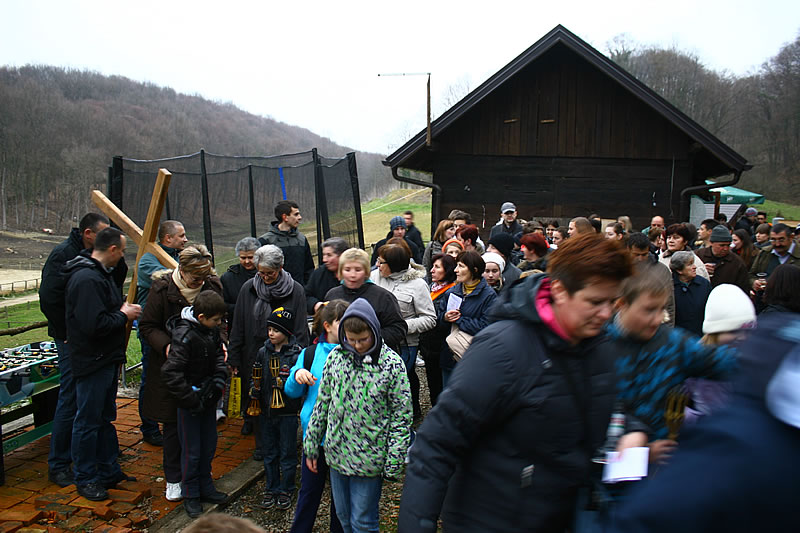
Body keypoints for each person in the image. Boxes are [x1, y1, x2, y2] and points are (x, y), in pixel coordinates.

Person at [399, 234, 632, 532]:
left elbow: (611, 412)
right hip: (492, 520)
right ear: (559, 290)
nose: (606, 313)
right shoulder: (503, 349)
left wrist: (633, 432)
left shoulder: (602, 349)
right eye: (595, 302)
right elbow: (437, 444)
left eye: (612, 302)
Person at [609, 313, 800, 533]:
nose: (658, 318)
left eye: (661, 308)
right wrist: (641, 443)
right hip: (614, 476)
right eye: (650, 309)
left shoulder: (677, 346)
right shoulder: (730, 443)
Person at [304, 298, 412, 533]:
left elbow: (401, 416)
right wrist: (311, 444)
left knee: (363, 522)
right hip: (337, 454)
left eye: (363, 339)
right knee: (343, 517)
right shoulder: (336, 357)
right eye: (351, 340)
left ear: (374, 332)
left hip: (369, 458)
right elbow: (322, 404)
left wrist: (394, 459)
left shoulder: (391, 365)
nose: (357, 345)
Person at [140, 245, 224, 503]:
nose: (199, 282)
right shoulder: (162, 290)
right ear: (182, 270)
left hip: (204, 369)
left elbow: (222, 319)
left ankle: (201, 476)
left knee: (205, 430)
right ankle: (174, 478)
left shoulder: (212, 286)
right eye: (195, 278)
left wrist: (221, 342)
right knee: (173, 427)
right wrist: (167, 346)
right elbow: (147, 326)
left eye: (203, 277)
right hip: (173, 368)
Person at [63, 227, 141, 501]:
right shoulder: (86, 279)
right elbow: (94, 325)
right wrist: (123, 315)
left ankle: (108, 470)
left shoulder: (100, 275)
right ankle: (85, 477)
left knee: (104, 418)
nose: (122, 257)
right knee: (87, 421)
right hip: (92, 361)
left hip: (106, 358)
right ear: (112, 249)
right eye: (122, 251)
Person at [41, 212, 112, 487]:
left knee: (92, 401)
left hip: (91, 339)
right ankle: (59, 463)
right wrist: (67, 333)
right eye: (102, 233)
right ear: (88, 234)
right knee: (71, 397)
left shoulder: (96, 256)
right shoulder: (63, 254)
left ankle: (93, 455)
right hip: (71, 339)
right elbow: (49, 298)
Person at [228, 245, 308, 442]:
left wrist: (300, 359)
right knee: (256, 394)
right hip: (253, 353)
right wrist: (234, 356)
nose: (265, 277)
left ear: (280, 267)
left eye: (270, 273)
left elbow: (300, 329)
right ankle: (260, 440)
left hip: (284, 355)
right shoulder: (249, 288)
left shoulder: (296, 290)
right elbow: (238, 324)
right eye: (261, 272)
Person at [160, 291, 229, 518]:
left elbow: (219, 357)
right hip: (189, 403)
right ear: (201, 317)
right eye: (216, 320)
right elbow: (171, 372)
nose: (219, 323)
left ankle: (205, 486)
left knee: (208, 445)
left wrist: (218, 381)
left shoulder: (211, 331)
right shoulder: (185, 336)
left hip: (207, 397)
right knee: (192, 450)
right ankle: (190, 493)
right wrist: (191, 398)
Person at [285, 301, 350, 533]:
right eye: (342, 322)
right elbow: (291, 392)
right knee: (309, 492)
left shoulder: (355, 354)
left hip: (344, 440)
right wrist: (297, 374)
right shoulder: (310, 354)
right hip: (315, 438)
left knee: (341, 498)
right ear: (327, 325)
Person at [137, 219, 188, 447]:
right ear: (168, 238)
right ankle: (149, 427)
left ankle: (173, 419)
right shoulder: (148, 261)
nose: (185, 239)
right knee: (152, 377)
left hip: (176, 329)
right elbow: (173, 280)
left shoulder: (179, 256)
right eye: (181, 236)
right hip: (154, 330)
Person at [370, 243, 436, 420]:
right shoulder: (374, 277)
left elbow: (430, 318)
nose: (377, 265)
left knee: (403, 377)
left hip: (405, 344)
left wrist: (401, 327)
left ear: (394, 264)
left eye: (381, 262)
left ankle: (410, 414)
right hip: (377, 340)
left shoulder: (418, 285)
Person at [253, 307, 303, 511]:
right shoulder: (263, 352)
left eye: (276, 330)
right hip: (266, 411)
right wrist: (254, 391)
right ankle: (271, 487)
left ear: (287, 332)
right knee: (269, 452)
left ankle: (287, 488)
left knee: (287, 452)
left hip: (288, 412)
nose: (271, 333)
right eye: (269, 329)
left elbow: (299, 383)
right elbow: (256, 374)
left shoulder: (296, 354)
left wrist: (285, 383)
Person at [324, 248, 407, 355]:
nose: (352, 275)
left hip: (376, 356)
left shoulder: (383, 297)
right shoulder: (332, 295)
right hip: (340, 356)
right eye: (347, 270)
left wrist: (370, 339)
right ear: (340, 271)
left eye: (358, 270)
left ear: (366, 272)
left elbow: (398, 329)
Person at [436, 250, 497, 388]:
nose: (456, 270)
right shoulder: (451, 292)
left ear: (474, 270)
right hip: (449, 356)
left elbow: (486, 327)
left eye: (461, 266)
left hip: (473, 357)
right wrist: (445, 318)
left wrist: (459, 320)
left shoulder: (489, 296)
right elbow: (439, 324)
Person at [418, 254, 456, 407]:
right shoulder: (430, 288)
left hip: (441, 345)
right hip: (428, 346)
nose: (432, 270)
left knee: (442, 384)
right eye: (432, 266)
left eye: (437, 267)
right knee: (432, 383)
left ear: (447, 270)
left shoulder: (452, 292)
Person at [258, 200, 315, 285]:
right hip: (274, 290)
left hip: (299, 290)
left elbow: (309, 268)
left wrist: (306, 288)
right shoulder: (265, 241)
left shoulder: (302, 240)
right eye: (296, 214)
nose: (300, 217)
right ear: (285, 217)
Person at [627, 232, 675, 326]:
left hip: (654, 325)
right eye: (636, 255)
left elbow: (669, 303)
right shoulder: (619, 270)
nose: (640, 259)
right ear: (628, 250)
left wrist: (667, 329)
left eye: (644, 254)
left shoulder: (662, 271)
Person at [695, 225, 750, 294]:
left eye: (728, 245)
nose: (725, 249)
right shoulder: (698, 256)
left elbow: (743, 288)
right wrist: (701, 270)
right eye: (722, 245)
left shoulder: (737, 263)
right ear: (711, 243)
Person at [670, 251, 712, 336]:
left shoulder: (703, 284)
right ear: (679, 270)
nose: (694, 267)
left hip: (700, 334)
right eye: (689, 264)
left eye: (693, 263)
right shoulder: (669, 286)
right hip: (677, 336)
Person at [221, 237, 260, 323]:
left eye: (250, 257)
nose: (247, 261)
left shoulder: (266, 275)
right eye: (243, 258)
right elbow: (223, 304)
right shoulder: (228, 278)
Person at [305, 237, 348, 314]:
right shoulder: (318, 274)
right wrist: (315, 305)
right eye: (324, 255)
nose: (324, 260)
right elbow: (306, 296)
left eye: (329, 255)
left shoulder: (354, 274)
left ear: (342, 256)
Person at [750, 223, 800, 287]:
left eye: (781, 240)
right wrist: (754, 282)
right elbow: (751, 275)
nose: (777, 244)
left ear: (791, 237)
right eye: (773, 240)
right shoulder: (764, 253)